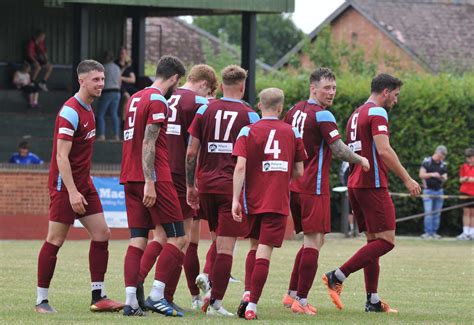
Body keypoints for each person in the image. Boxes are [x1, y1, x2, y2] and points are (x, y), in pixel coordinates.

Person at [322, 73, 421, 314]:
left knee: (373, 242)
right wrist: (407, 179)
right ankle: (337, 275)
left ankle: (373, 300)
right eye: (395, 95)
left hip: (356, 183)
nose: (395, 101)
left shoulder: (356, 114)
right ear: (385, 91)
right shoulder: (378, 112)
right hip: (372, 183)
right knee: (386, 241)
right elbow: (384, 150)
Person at [35, 59, 123, 314]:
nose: (101, 84)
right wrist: (72, 191)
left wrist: (84, 183)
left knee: (102, 234)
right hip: (66, 186)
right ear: (81, 80)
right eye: (96, 79)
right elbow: (62, 157)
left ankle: (99, 296)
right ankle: (41, 300)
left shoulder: (89, 109)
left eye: (103, 79)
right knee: (55, 239)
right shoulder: (70, 111)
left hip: (85, 183)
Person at [281, 67, 369, 315]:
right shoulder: (322, 115)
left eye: (334, 88)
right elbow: (339, 149)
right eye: (326, 88)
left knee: (314, 241)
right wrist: (360, 160)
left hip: (294, 186)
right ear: (313, 88)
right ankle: (302, 300)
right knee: (313, 241)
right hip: (314, 186)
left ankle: (291, 295)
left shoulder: (293, 110)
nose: (331, 93)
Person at [132, 64, 218, 312]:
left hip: (159, 170)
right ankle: (161, 294)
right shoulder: (198, 103)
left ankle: (137, 287)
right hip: (180, 175)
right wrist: (193, 183)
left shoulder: (165, 96)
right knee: (182, 238)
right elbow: (196, 147)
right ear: (204, 84)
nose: (208, 96)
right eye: (209, 91)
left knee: (161, 236)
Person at [186, 65, 260, 316]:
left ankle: (207, 279)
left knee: (218, 240)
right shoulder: (250, 115)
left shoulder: (205, 108)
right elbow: (257, 155)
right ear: (242, 86)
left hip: (205, 184)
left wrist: (190, 184)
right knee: (227, 246)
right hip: (231, 187)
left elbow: (191, 152)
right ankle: (215, 303)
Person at [120, 55, 187, 317]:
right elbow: (149, 142)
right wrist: (151, 180)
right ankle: (157, 296)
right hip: (154, 178)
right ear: (173, 79)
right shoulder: (158, 100)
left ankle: (130, 303)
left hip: (129, 176)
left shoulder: (135, 97)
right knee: (178, 238)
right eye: (176, 84)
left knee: (138, 240)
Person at [232, 88, 306, 320]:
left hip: (252, 199)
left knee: (254, 247)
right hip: (276, 200)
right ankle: (252, 305)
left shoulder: (247, 130)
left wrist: (235, 198)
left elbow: (241, 167)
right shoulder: (292, 132)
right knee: (265, 251)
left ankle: (246, 292)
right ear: (281, 108)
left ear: (259, 106)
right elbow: (299, 171)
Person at [419, 145, 448, 239]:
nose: (441, 158)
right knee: (428, 212)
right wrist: (432, 174)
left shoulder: (443, 164)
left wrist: (443, 177)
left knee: (437, 213)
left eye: (443, 157)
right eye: (440, 156)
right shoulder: (427, 162)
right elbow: (421, 175)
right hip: (428, 191)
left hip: (439, 191)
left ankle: (434, 233)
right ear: (437, 153)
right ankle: (427, 233)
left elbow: (445, 176)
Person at [96, 51, 121, 141]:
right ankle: (116, 136)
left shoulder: (103, 68)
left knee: (101, 114)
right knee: (114, 114)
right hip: (117, 92)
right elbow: (120, 82)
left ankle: (102, 135)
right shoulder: (117, 68)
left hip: (107, 91)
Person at [115, 47, 138, 123]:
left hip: (129, 86)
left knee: (139, 95)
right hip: (120, 86)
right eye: (121, 53)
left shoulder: (129, 66)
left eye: (124, 53)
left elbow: (133, 80)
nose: (122, 55)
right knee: (126, 96)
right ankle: (123, 120)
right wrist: (124, 68)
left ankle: (137, 117)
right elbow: (116, 77)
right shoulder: (116, 64)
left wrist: (122, 78)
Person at [457, 148, 474, 240]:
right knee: (466, 212)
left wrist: (470, 179)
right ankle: (465, 232)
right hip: (465, 192)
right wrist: (466, 179)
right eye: (469, 158)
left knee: (473, 213)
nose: (470, 160)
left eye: (472, 158)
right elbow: (461, 179)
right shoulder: (464, 167)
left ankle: (472, 233)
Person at [340, 161, 356, 237]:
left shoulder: (349, 162)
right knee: (350, 210)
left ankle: (354, 230)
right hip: (348, 189)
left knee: (353, 210)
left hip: (351, 189)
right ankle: (351, 229)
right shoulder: (344, 163)